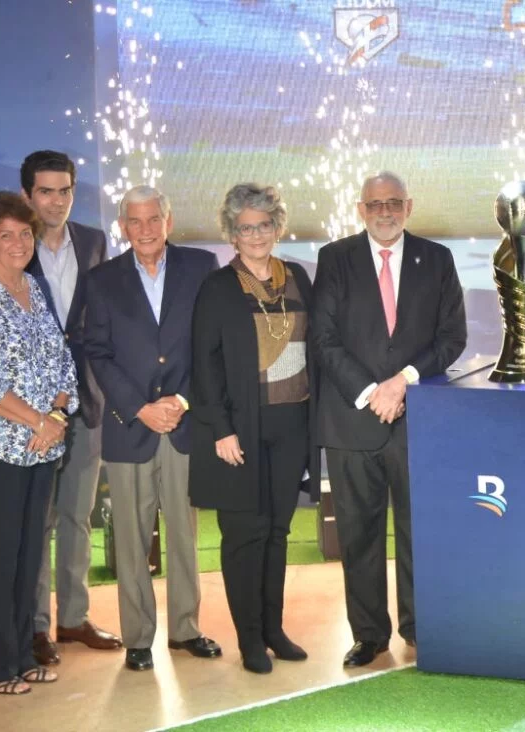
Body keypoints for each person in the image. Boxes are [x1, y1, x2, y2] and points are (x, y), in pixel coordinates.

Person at [312, 171, 467, 667]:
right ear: (360, 209)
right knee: (358, 535)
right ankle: (369, 635)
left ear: (409, 206)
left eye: (394, 202)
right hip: (351, 420)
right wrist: (368, 391)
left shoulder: (437, 260)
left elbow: (452, 337)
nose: (385, 211)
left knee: (418, 530)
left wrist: (402, 381)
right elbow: (324, 338)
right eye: (375, 203)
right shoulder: (334, 259)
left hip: (416, 420)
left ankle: (421, 627)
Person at [0, 151, 116, 665]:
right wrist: (38, 417)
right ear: (28, 196)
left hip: (79, 403)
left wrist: (64, 407)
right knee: (34, 525)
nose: (57, 201)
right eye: (46, 191)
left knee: (77, 516)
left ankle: (72, 618)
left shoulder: (95, 243)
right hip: (15, 424)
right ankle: (32, 629)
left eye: (65, 190)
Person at [83, 186, 222, 672]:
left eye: (153, 219)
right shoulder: (101, 281)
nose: (144, 229)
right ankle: (138, 636)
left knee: (184, 533)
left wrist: (180, 400)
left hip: (184, 423)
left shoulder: (202, 268)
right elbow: (96, 351)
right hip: (130, 426)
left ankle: (186, 630)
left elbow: (211, 342)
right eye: (134, 221)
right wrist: (140, 408)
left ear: (169, 221)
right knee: (132, 537)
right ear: (123, 226)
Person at [189, 184, 320, 674]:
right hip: (241, 428)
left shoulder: (300, 278)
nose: (257, 234)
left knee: (278, 531)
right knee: (244, 533)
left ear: (277, 226)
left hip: (293, 424)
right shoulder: (218, 287)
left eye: (265, 224)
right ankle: (248, 639)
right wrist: (221, 429)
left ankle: (273, 629)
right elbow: (203, 366)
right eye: (246, 227)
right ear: (232, 233)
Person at [0, 191, 77, 694]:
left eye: (26, 233)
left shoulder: (35, 288)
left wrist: (55, 413)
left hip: (42, 446)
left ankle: (22, 655)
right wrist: (37, 421)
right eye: (8, 234)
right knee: (0, 553)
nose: (19, 243)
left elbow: (63, 359)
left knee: (30, 555)